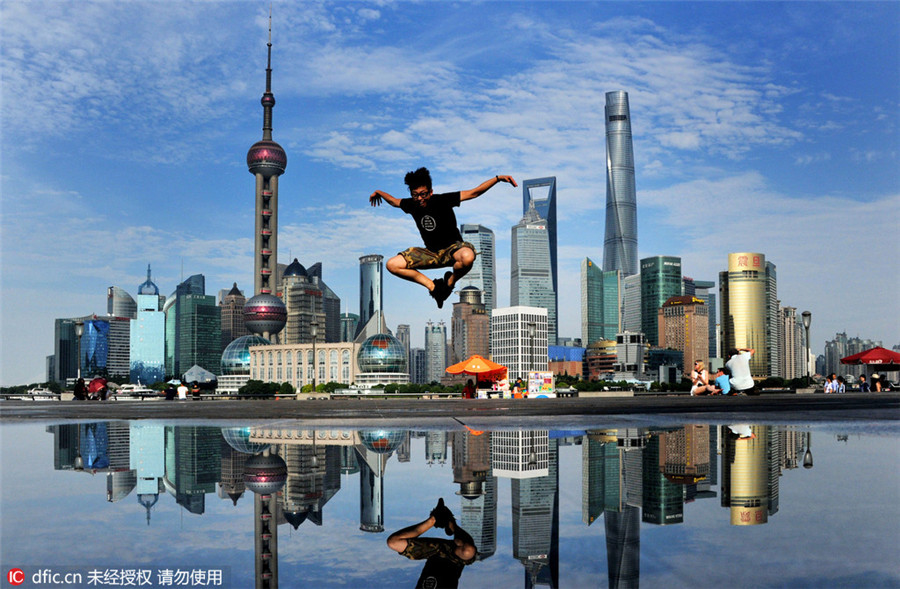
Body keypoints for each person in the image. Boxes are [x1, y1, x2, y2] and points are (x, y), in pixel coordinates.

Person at [370, 167, 517, 308]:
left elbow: (474, 193)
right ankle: (434, 288)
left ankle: (449, 283)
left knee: (467, 257)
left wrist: (497, 179)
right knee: (392, 265)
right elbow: (393, 201)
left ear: (431, 192)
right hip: (431, 253)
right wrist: (378, 192)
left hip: (452, 249)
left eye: (424, 194)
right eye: (416, 195)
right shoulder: (411, 204)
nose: (420, 198)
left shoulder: (443, 200)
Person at [387, 498, 477, 589]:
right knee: (468, 551)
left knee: (393, 542)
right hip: (456, 559)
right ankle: (450, 523)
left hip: (435, 552)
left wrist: (431, 521)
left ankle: (434, 519)